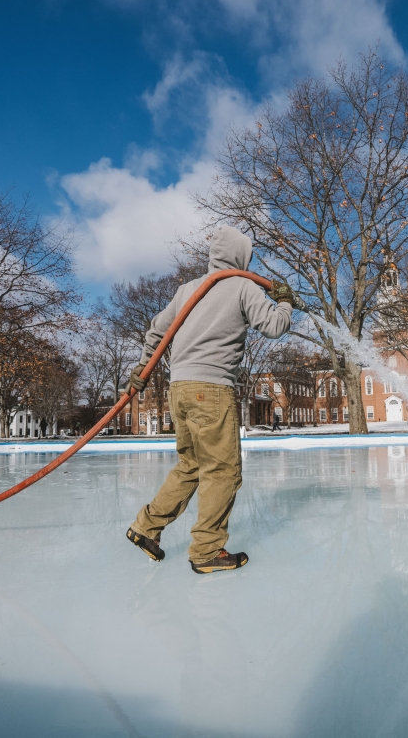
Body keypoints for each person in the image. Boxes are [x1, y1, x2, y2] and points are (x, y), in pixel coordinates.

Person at [125, 226, 296, 574]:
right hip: (212, 390)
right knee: (223, 471)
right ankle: (206, 550)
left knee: (191, 466)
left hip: (180, 389)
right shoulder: (243, 286)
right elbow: (274, 327)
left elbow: (158, 329)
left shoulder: (188, 289)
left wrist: (143, 366)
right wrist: (285, 301)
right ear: (241, 257)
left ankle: (146, 526)